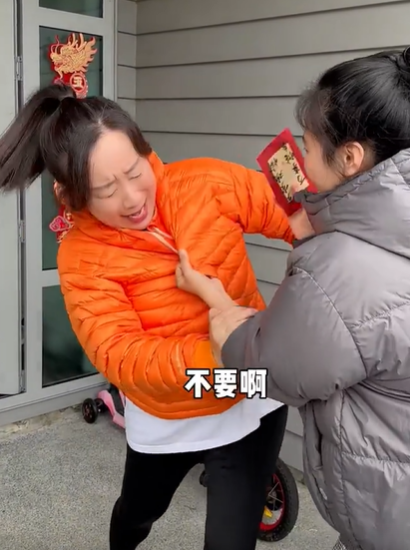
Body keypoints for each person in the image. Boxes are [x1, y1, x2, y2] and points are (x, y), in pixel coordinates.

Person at [0, 83, 312, 550]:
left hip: (250, 392)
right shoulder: (81, 257)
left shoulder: (204, 182)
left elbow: (291, 211)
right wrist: (218, 351)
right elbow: (122, 355)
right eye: (106, 189)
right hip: (172, 412)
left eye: (134, 171)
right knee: (138, 513)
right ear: (72, 196)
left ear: (145, 149)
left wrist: (312, 223)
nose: (131, 198)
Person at [176, 34, 410, 550]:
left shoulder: (338, 268)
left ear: (349, 156)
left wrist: (223, 318)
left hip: (403, 514)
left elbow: (274, 369)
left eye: (306, 146)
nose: (299, 160)